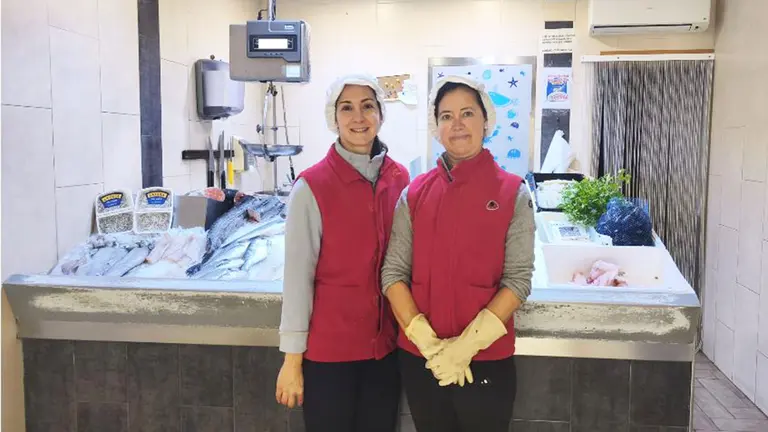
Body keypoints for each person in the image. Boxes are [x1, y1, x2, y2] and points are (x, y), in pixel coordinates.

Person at [381, 75, 535, 432]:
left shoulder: (513, 192)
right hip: (422, 360)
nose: (458, 124)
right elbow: (393, 274)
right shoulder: (415, 193)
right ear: (437, 126)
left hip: (486, 358)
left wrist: (466, 347)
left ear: (486, 121)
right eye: (446, 116)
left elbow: (518, 280)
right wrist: (430, 345)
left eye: (467, 113)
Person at [275, 74, 410, 432]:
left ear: (381, 114)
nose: (358, 117)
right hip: (329, 354)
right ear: (333, 118)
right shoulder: (312, 186)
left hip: (385, 351)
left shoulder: (400, 179)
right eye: (346, 108)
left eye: (368, 106)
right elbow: (297, 277)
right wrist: (292, 360)